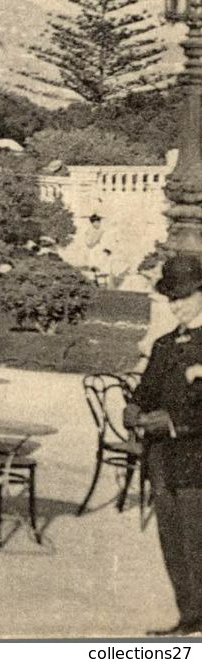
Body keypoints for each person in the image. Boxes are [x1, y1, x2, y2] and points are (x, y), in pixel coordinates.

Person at [128, 254, 202, 636]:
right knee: (172, 541)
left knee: (197, 541)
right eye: (172, 299)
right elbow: (147, 389)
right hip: (161, 459)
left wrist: (176, 422)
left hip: (197, 461)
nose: (177, 305)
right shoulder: (164, 344)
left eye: (185, 297)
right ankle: (189, 617)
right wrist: (134, 405)